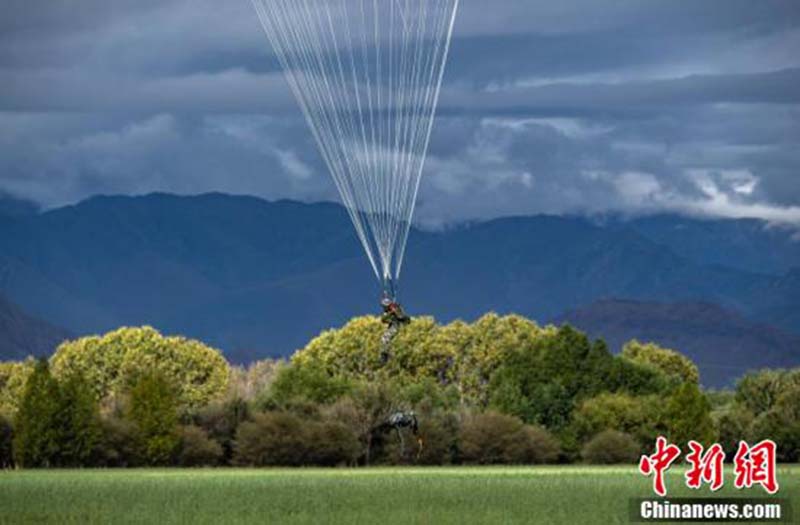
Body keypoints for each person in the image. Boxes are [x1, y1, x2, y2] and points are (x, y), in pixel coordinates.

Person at [379, 294, 410, 363]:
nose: (384, 308)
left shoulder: (395, 308)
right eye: (384, 307)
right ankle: (385, 354)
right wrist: (391, 312)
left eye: (385, 306)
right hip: (392, 325)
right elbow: (383, 320)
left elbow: (401, 316)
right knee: (384, 338)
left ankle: (385, 355)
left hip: (396, 325)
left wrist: (396, 310)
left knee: (385, 338)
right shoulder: (386, 313)